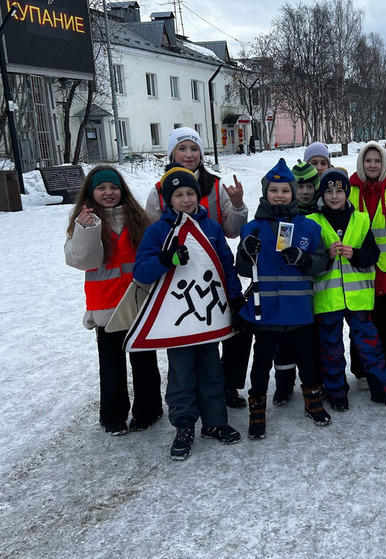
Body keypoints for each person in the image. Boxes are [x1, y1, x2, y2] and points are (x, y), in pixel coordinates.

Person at [134, 166, 243, 459]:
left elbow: (225, 266)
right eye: (178, 195)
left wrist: (234, 298)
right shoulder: (158, 231)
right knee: (182, 373)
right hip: (176, 320)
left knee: (211, 370)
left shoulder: (212, 228)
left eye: (190, 193)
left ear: (199, 195)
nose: (185, 199)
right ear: (168, 200)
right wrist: (165, 259)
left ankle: (215, 423)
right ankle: (184, 424)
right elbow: (141, 271)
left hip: (207, 313)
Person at [145, 127, 250, 410]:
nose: (189, 154)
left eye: (194, 149)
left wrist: (238, 205)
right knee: (188, 348)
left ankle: (227, 385)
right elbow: (152, 235)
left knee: (234, 330)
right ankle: (187, 404)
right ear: (172, 154)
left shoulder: (215, 187)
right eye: (183, 149)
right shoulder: (158, 192)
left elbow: (232, 231)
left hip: (214, 276)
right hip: (179, 282)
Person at [236, 158, 332, 439]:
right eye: (274, 190)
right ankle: (257, 411)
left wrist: (303, 259)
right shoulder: (250, 229)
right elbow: (242, 269)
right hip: (264, 312)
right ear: (265, 193)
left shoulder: (310, 229)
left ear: (293, 194)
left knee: (308, 361)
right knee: (261, 364)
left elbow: (323, 262)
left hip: (299, 310)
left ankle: (313, 403)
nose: (280, 195)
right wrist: (246, 253)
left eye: (285, 191)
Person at [65, 166, 163, 436]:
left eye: (114, 187)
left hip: (138, 301)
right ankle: (113, 416)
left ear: (122, 190)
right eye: (101, 188)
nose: (108, 193)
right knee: (111, 365)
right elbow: (83, 260)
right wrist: (87, 229)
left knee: (144, 361)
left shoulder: (138, 219)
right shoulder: (83, 222)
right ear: (91, 192)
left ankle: (149, 410)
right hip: (106, 305)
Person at [308, 168, 386, 411]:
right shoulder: (312, 222)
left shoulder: (361, 219)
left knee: (370, 345)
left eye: (339, 191)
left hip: (359, 298)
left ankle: (383, 390)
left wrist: (356, 255)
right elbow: (309, 262)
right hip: (327, 299)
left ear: (346, 194)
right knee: (331, 350)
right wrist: (328, 257)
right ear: (322, 195)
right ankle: (337, 393)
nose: (334, 196)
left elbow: (373, 254)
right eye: (328, 191)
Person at [348, 141, 386, 390]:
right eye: (368, 160)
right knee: (360, 323)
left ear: (383, 164)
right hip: (357, 269)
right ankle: (361, 371)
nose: (372, 165)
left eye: (377, 160)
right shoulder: (347, 190)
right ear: (361, 163)